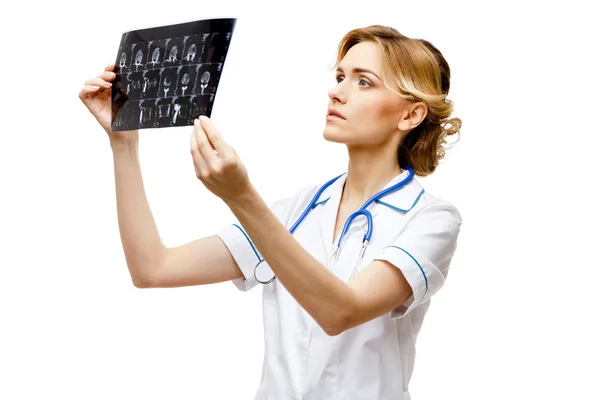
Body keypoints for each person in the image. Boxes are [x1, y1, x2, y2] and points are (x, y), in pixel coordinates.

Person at [79, 24, 462, 400]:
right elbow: (152, 268)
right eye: (341, 76)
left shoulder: (430, 219)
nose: (336, 92)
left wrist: (241, 197)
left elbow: (339, 312)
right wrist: (123, 146)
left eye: (363, 82)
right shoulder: (297, 211)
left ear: (410, 115)